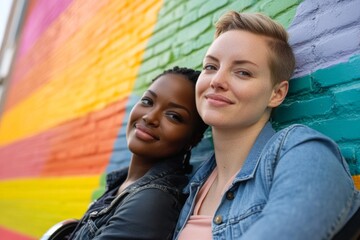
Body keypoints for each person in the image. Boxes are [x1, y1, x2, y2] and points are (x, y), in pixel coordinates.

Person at [173, 11, 360, 240]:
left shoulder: (303, 152)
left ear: (276, 94)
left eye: (243, 72)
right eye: (211, 67)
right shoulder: (193, 183)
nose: (216, 81)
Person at [45, 66, 208, 240]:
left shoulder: (151, 201)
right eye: (147, 102)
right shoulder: (123, 183)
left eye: (174, 116)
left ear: (194, 138)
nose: (149, 117)